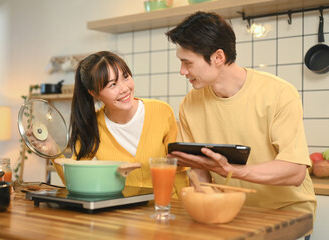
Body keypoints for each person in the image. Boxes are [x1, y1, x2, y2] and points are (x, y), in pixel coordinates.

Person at [165, 11, 316, 234]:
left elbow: (294, 172)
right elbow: (201, 170)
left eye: (187, 63)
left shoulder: (279, 93)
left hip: (287, 213)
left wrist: (230, 170)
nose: (182, 71)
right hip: (231, 213)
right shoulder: (190, 104)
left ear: (218, 57)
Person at [34, 51, 188, 197]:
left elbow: (180, 169)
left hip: (166, 210)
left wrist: (184, 210)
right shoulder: (91, 126)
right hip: (122, 217)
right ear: (94, 93)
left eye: (126, 77)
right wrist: (53, 152)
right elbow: (77, 180)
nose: (124, 89)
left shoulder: (162, 112)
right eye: (112, 85)